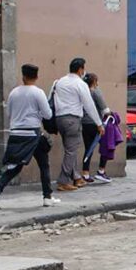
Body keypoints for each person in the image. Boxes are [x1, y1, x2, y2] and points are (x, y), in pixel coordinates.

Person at [0, 64, 58, 209]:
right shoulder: (38, 93)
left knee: (17, 165)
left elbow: (9, 114)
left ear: (23, 76)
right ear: (36, 77)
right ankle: (47, 197)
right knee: (44, 164)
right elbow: (48, 114)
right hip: (32, 133)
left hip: (16, 133)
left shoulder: (14, 93)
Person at [52, 58, 102, 191]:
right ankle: (63, 181)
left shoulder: (59, 82)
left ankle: (77, 178)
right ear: (80, 69)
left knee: (70, 149)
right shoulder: (80, 84)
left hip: (60, 119)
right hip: (72, 119)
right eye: (83, 68)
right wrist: (99, 123)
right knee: (71, 151)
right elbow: (89, 105)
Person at [80, 73, 111, 183]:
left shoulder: (82, 91)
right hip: (96, 124)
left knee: (88, 149)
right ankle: (101, 171)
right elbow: (104, 109)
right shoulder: (96, 92)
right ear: (94, 82)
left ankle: (85, 173)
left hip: (83, 123)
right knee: (106, 146)